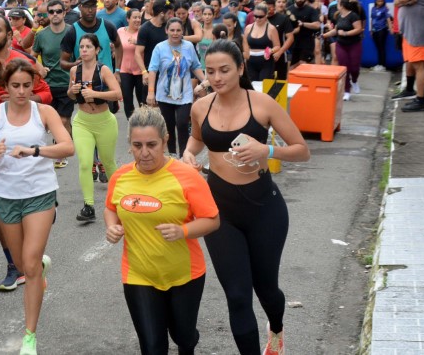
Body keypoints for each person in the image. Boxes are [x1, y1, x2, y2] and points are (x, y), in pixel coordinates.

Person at [182, 40, 310, 355]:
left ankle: (276, 329)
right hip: (219, 211)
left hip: (264, 207)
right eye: (210, 71)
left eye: (224, 70)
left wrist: (266, 149)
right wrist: (187, 155)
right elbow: (194, 142)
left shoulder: (263, 104)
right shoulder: (201, 107)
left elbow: (302, 150)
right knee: (238, 295)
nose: (216, 77)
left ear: (240, 68)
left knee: (266, 290)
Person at [0, 58, 74, 355]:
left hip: (40, 194)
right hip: (5, 196)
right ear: (5, 86)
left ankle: (29, 336)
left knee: (28, 267)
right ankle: (38, 267)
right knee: (22, 265)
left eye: (27, 86)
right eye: (15, 86)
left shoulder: (44, 111)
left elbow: (67, 147)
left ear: (34, 85)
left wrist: (35, 150)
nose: (21, 91)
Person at [105, 106, 219, 355]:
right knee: (153, 346)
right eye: (137, 145)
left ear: (165, 140)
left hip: (184, 274)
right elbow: (110, 207)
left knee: (183, 337)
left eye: (151, 145)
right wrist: (111, 226)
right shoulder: (121, 177)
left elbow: (212, 220)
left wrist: (183, 231)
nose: (144, 153)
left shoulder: (187, 176)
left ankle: (187, 340)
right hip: (139, 274)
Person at [0, 15, 52, 291]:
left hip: (24, 137)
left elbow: (46, 93)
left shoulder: (23, 61)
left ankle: (34, 241)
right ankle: (14, 265)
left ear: (9, 34)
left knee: (28, 196)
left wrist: (25, 98)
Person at [67, 34, 122, 222]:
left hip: (104, 121)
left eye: (88, 47)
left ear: (97, 50)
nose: (83, 50)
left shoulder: (104, 70)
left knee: (108, 163)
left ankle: (119, 201)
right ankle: (88, 206)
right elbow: (71, 94)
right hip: (82, 121)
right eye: (81, 47)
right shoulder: (75, 70)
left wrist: (95, 93)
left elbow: (117, 94)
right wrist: (72, 92)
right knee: (84, 162)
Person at [147, 18, 206, 157]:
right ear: (166, 31)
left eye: (178, 30)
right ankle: (172, 154)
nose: (175, 33)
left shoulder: (188, 46)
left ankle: (185, 155)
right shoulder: (159, 47)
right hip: (164, 94)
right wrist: (151, 92)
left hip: (184, 94)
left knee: (182, 124)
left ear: (183, 32)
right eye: (172, 30)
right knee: (168, 126)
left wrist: (206, 82)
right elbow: (153, 70)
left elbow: (196, 66)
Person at [32, 0, 74, 168]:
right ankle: (64, 142)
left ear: (64, 13)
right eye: (51, 12)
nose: (55, 14)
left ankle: (61, 151)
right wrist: (40, 69)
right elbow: (31, 57)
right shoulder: (41, 35)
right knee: (50, 122)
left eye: (58, 11)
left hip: (67, 83)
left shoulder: (72, 32)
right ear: (48, 14)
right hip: (48, 85)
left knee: (63, 120)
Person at [324, 0, 364, 101]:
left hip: (354, 44)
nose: (337, 5)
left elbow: (359, 29)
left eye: (338, 3)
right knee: (344, 68)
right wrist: (324, 35)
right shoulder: (338, 16)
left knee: (354, 68)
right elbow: (336, 30)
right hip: (341, 44)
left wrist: (346, 33)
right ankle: (346, 90)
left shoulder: (353, 16)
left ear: (342, 6)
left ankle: (354, 80)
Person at [117, 8, 145, 119]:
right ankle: (132, 123)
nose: (138, 20)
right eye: (135, 17)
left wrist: (138, 42)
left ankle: (144, 123)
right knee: (127, 100)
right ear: (128, 19)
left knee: (142, 100)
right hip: (124, 71)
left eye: (139, 17)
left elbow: (150, 48)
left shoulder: (143, 31)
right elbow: (117, 47)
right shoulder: (120, 31)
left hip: (140, 71)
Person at [243, 4, 281, 82]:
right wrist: (245, 57)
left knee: (264, 85)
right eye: (255, 16)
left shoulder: (271, 29)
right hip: (251, 60)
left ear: (266, 15)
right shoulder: (248, 28)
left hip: (266, 61)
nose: (257, 19)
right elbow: (245, 44)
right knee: (252, 85)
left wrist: (271, 51)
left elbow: (277, 46)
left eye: (260, 17)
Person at [264, 0, 295, 80]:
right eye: (266, 7)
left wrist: (280, 52)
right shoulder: (260, 19)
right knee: (262, 84)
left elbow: (290, 38)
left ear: (274, 7)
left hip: (278, 57)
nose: (268, 9)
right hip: (262, 57)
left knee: (278, 85)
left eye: (270, 7)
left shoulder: (283, 19)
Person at [288, 0, 321, 65]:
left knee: (303, 65)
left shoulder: (311, 10)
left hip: (307, 43)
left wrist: (303, 24)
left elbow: (317, 25)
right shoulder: (289, 10)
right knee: (291, 67)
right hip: (293, 43)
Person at [370, 0, 392, 72]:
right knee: (378, 48)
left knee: (381, 47)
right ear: (376, 1)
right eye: (378, 1)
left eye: (382, 1)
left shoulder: (385, 9)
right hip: (375, 30)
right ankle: (379, 64)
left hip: (382, 30)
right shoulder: (373, 8)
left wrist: (390, 28)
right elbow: (372, 19)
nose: (380, 2)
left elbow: (388, 19)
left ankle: (382, 65)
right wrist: (371, 30)